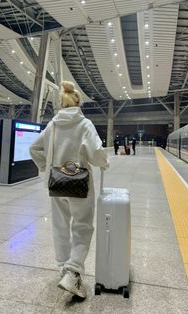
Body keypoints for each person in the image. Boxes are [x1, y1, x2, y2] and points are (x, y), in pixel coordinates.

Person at [29, 81, 109, 300]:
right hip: (80, 184)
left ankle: (63, 269)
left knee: (60, 226)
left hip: (56, 182)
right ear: (78, 102)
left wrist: (47, 168)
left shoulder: (53, 125)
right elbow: (96, 151)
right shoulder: (84, 123)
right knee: (82, 227)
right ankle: (73, 271)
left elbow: (34, 148)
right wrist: (104, 163)